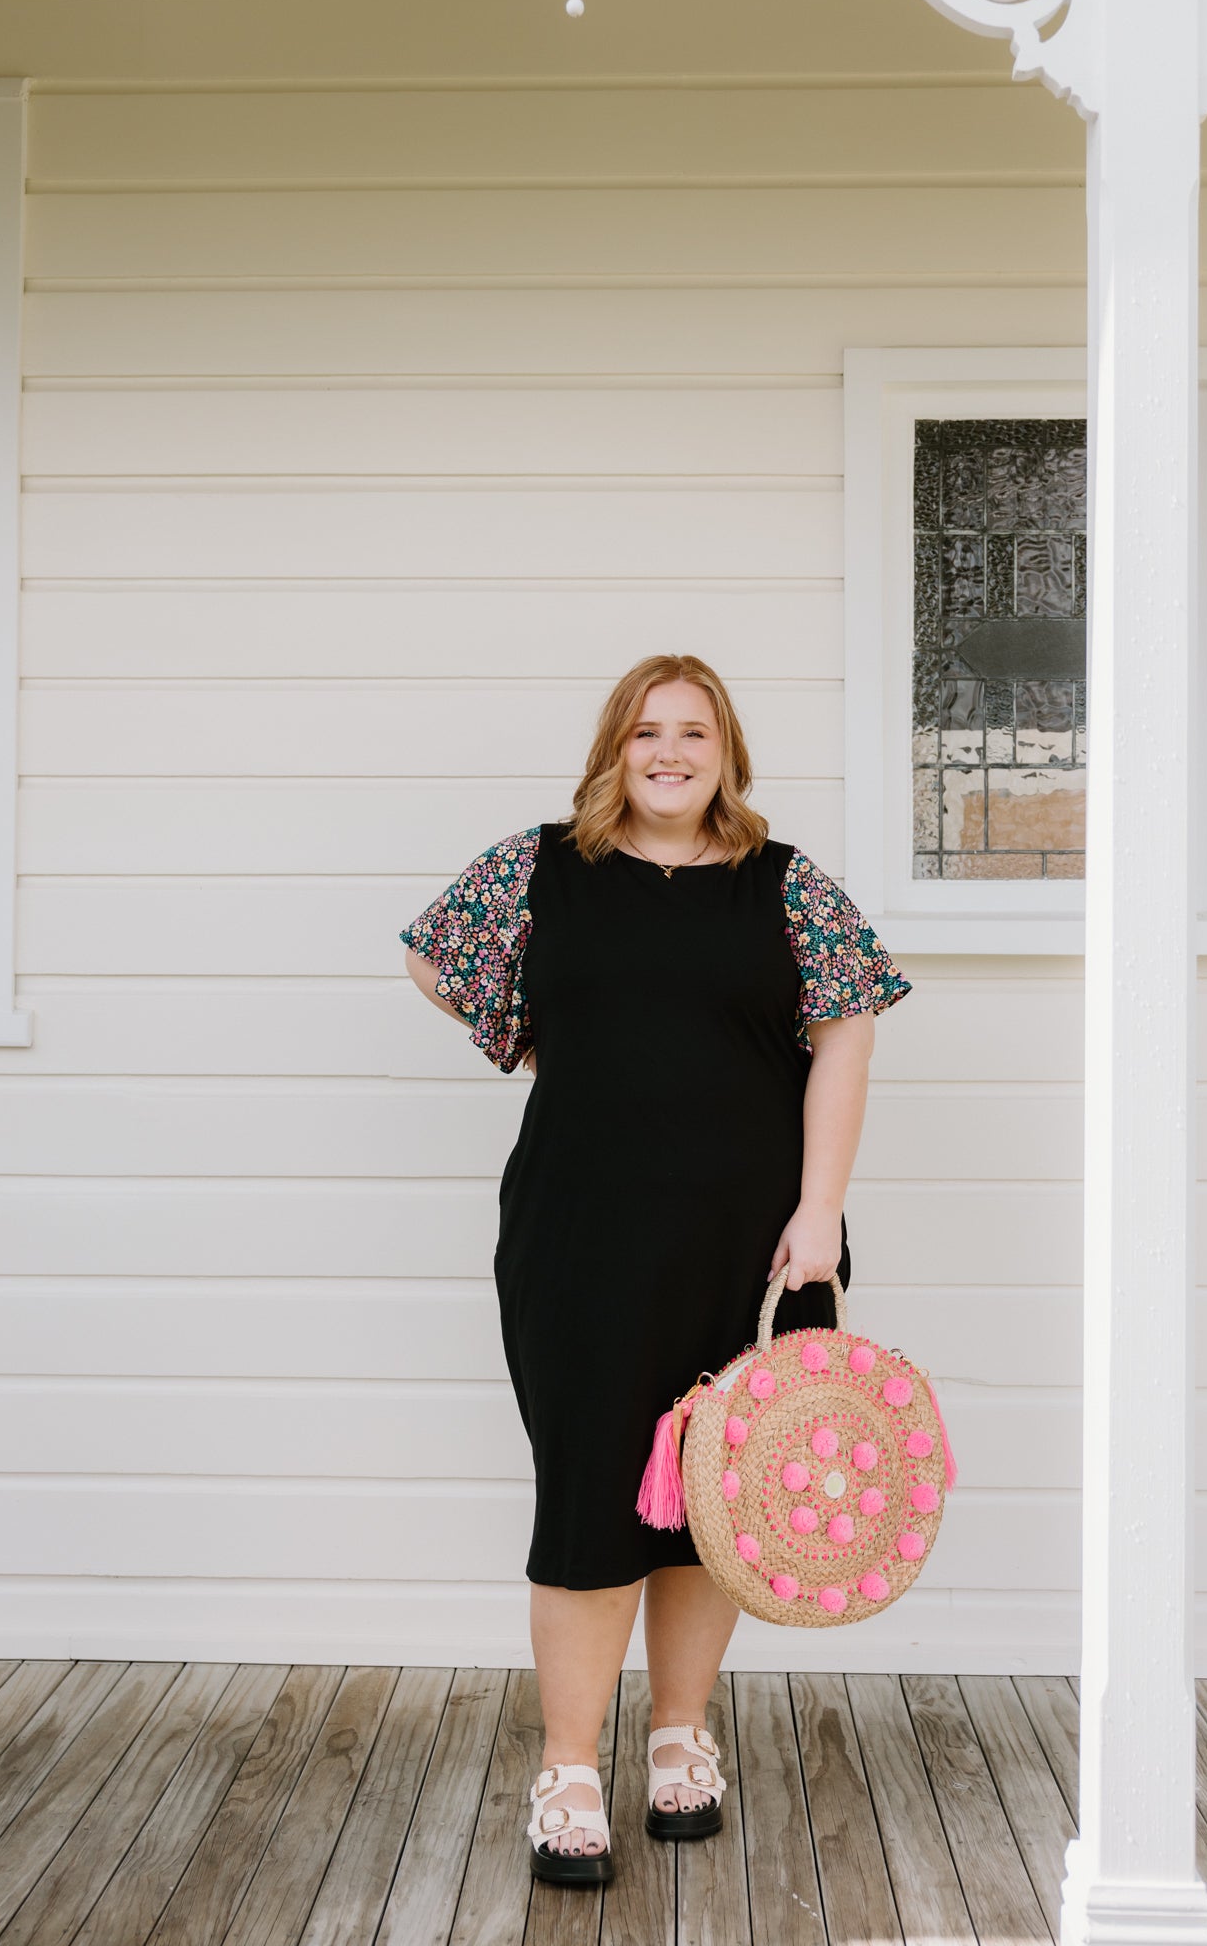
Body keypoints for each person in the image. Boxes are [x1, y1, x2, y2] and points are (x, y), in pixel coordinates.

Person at [399, 653, 911, 1886]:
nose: (669, 752)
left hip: (751, 1239)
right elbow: (430, 957)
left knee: (715, 1493)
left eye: (692, 731)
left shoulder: (787, 885)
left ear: (726, 752)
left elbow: (847, 1035)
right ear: (613, 752)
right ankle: (569, 1767)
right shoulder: (540, 869)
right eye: (645, 732)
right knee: (591, 1497)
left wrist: (819, 1214)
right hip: (579, 1235)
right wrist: (545, 1046)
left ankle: (682, 1735)